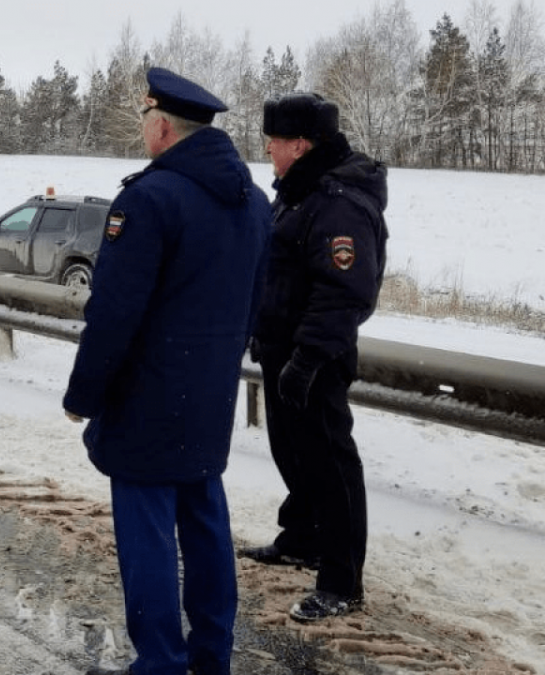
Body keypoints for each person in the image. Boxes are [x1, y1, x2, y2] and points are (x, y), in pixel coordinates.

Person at [63, 68, 272, 675]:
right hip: (210, 395)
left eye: (142, 121)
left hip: (146, 398)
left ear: (161, 127)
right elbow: (256, 302)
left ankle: (159, 663)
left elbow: (115, 311)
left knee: (147, 538)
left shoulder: (148, 199)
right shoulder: (253, 201)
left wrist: (86, 393)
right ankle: (212, 658)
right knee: (206, 527)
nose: (141, 130)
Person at [238, 92, 388, 622]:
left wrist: (307, 359)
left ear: (299, 144)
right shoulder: (298, 193)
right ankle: (302, 538)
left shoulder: (338, 201)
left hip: (316, 357)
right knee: (293, 452)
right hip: (284, 350)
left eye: (273, 143)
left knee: (330, 465)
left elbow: (345, 291)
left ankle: (343, 580)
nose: (268, 152)